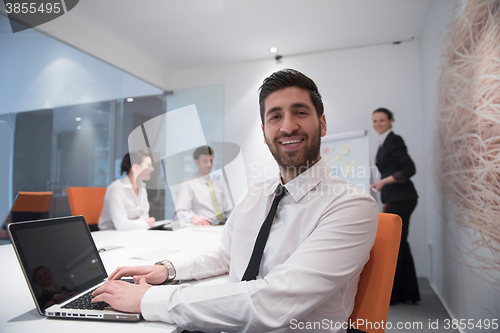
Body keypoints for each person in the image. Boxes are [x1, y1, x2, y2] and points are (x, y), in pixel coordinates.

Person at [92, 69, 378, 332]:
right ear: (264, 133)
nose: (287, 127)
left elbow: (272, 302)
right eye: (275, 116)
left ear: (323, 124)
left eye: (300, 112)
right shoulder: (257, 193)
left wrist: (152, 300)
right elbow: (227, 255)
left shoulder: (350, 205)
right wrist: (167, 270)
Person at [370, 108, 420, 304]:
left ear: (391, 121)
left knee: (395, 244)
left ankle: (394, 295)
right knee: (401, 244)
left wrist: (383, 183)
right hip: (395, 198)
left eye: (382, 120)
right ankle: (407, 294)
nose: (378, 124)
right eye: (375, 121)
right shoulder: (384, 143)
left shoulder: (394, 140)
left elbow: (410, 168)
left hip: (402, 198)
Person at [174, 145, 231, 225]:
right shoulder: (188, 184)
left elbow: (227, 211)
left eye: (211, 161)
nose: (209, 164)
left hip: (222, 226)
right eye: (205, 161)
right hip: (203, 226)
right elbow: (179, 213)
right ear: (196, 162)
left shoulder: (218, 185)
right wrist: (193, 218)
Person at [98, 151, 156, 230]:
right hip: (110, 234)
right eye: (148, 165)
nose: (152, 169)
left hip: (132, 232)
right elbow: (121, 224)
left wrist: (142, 222)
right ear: (135, 167)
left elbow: (145, 216)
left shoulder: (142, 187)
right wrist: (145, 222)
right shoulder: (116, 188)